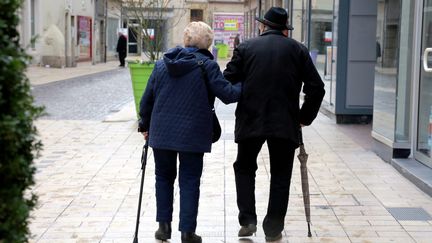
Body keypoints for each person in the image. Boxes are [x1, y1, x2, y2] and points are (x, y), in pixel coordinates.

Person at [223, 7, 325, 242]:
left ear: (263, 26)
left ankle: (247, 219)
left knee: (245, 167)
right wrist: (303, 117)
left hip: (250, 119)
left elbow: (228, 78)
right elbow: (317, 88)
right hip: (285, 122)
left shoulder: (246, 47)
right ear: (284, 30)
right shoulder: (298, 50)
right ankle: (273, 228)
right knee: (281, 174)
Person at [138, 21, 242, 243]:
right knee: (189, 180)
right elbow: (228, 94)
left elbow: (147, 100)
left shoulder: (161, 65)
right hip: (193, 134)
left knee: (163, 177)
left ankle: (163, 228)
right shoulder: (206, 65)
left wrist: (144, 125)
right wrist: (248, 84)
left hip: (162, 133)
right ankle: (187, 232)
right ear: (207, 43)